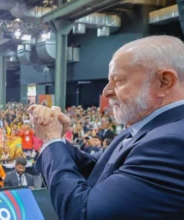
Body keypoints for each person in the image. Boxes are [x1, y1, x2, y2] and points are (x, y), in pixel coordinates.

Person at [29, 36, 184, 219]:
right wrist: (59, 141)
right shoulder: (144, 128)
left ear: (164, 82)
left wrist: (51, 141)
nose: (106, 92)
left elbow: (83, 214)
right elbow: (100, 170)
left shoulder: (170, 145)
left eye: (118, 80)